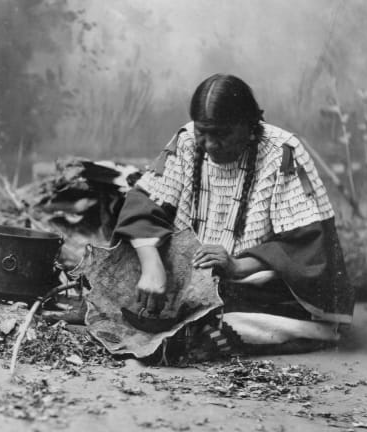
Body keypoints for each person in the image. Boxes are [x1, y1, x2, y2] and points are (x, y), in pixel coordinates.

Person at [112, 73, 353, 357]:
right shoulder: (187, 140)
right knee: (128, 271)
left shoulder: (283, 152)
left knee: (296, 307)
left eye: (222, 134)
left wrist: (236, 266)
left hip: (252, 279)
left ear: (250, 128)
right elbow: (144, 206)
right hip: (184, 272)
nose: (211, 144)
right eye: (204, 132)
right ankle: (224, 329)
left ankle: (230, 330)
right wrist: (153, 267)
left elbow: (305, 248)